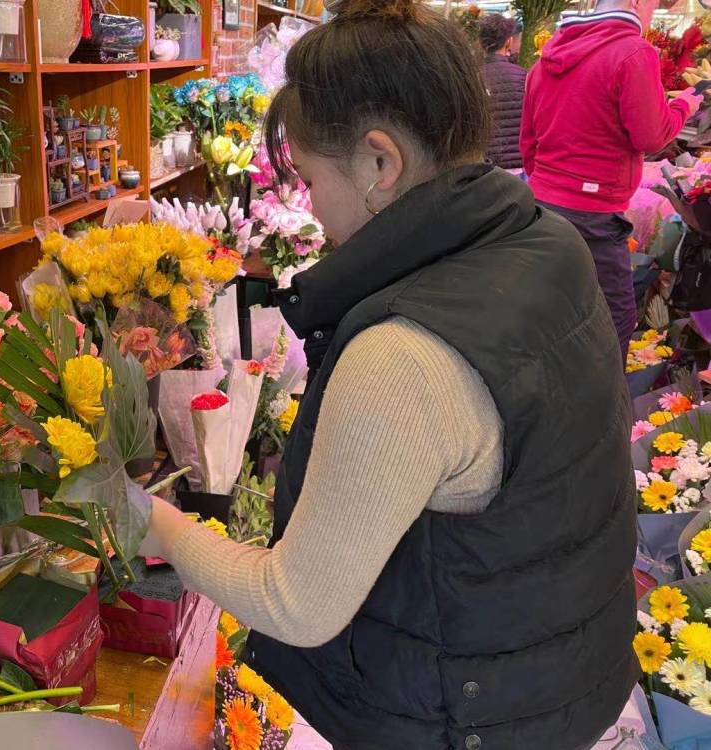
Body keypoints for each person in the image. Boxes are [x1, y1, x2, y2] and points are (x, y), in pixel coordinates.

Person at [140, 0, 637, 747]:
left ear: (380, 163)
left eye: (309, 176)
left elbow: (298, 603)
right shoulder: (546, 240)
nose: (310, 205)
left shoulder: (405, 352)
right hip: (551, 679)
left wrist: (152, 521)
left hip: (460, 719)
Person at [520, 0, 703, 359]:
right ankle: (601, 405)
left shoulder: (547, 58)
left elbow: (529, 141)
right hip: (594, 212)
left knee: (554, 306)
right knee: (615, 318)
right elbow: (651, 136)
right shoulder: (634, 52)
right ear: (636, 2)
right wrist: (685, 105)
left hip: (543, 204)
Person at [479, 14, 527, 170]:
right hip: (518, 163)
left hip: (484, 165)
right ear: (509, 41)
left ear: (481, 43)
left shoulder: (472, 77)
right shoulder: (523, 76)